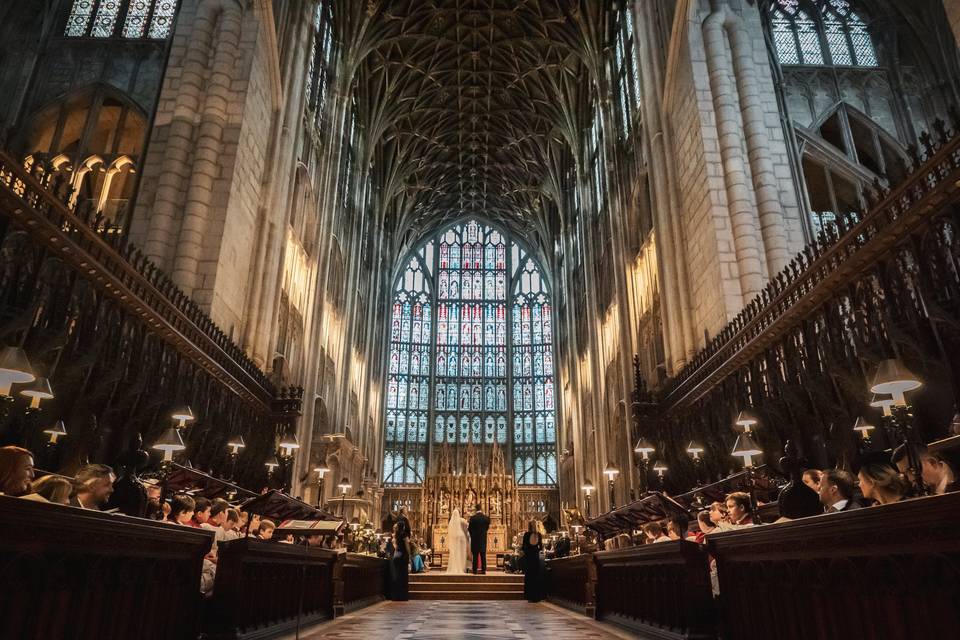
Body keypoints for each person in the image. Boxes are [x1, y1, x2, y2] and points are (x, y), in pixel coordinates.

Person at [892, 444, 958, 495]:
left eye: (912, 470)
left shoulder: (956, 484)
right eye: (905, 474)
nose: (910, 479)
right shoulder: (918, 492)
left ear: (932, 462)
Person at [521, 520, 545, 602]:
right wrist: (535, 549)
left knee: (529, 577)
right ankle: (536, 597)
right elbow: (541, 547)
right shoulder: (539, 535)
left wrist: (528, 550)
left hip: (528, 558)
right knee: (536, 577)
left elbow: (523, 547)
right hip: (535, 558)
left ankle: (529, 597)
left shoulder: (526, 535)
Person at [389, 523, 410, 601]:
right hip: (403, 556)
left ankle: (396, 596)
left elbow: (396, 547)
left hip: (396, 556)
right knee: (403, 576)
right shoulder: (404, 534)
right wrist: (409, 555)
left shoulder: (396, 535)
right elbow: (407, 546)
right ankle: (403, 596)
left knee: (397, 576)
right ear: (403, 527)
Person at [468, 503, 490, 574]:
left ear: (475, 509)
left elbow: (469, 529)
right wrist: (483, 534)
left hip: (475, 539)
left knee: (475, 555)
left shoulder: (472, 518)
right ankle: (483, 570)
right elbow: (487, 528)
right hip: (483, 539)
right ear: (481, 509)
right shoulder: (486, 518)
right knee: (483, 555)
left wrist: (473, 536)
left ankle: (474, 570)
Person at [446, 508, 469, 574]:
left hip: (454, 541)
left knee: (454, 555)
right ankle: (461, 568)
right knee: (461, 554)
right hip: (461, 540)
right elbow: (467, 527)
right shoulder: (462, 520)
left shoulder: (451, 522)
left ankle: (454, 567)